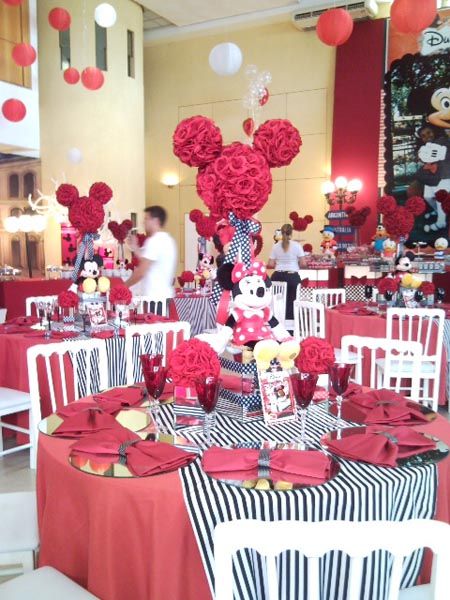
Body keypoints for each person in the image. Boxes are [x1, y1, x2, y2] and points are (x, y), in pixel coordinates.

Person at [125, 206, 177, 299]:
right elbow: (148, 260)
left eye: (146, 219)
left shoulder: (154, 241)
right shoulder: (167, 239)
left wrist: (124, 286)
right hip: (164, 295)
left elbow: (141, 271)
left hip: (155, 298)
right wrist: (135, 247)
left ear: (156, 221)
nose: (143, 222)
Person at [267, 223, 306, 321]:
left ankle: (277, 321)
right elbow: (303, 263)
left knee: (277, 300)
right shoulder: (297, 245)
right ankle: (291, 322)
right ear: (291, 233)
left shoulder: (275, 246)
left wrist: (279, 263)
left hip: (277, 276)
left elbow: (270, 264)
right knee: (292, 301)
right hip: (292, 277)